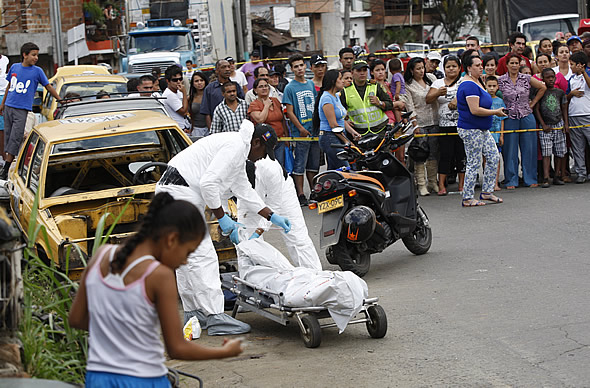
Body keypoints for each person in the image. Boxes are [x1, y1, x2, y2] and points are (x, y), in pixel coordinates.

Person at [69, 193, 244, 387]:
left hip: (98, 378)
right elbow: (176, 348)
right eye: (187, 252)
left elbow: (76, 319)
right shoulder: (159, 275)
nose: (185, 261)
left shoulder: (100, 255)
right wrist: (224, 352)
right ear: (171, 239)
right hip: (143, 379)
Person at [156, 120, 291, 334]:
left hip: (172, 193)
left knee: (185, 258)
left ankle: (194, 314)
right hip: (180, 194)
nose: (263, 157)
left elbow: (243, 189)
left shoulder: (238, 149)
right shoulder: (236, 146)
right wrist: (223, 219)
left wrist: (271, 215)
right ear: (256, 143)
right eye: (264, 152)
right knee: (203, 256)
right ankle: (215, 316)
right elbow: (208, 184)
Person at [239, 157, 321, 270]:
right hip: (248, 195)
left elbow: (274, 205)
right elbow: (223, 196)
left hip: (281, 192)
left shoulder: (270, 168)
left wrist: (259, 230)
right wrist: (226, 217)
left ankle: (315, 276)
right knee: (244, 238)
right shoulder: (233, 169)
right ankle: (256, 277)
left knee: (297, 237)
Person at [0, 42, 60, 180]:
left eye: (37, 55)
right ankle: (8, 167)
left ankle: (7, 168)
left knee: (16, 137)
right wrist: (3, 104)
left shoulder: (37, 71)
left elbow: (48, 87)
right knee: (9, 137)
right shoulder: (14, 67)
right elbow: (9, 86)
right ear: (24, 55)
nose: (36, 58)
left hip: (23, 108)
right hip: (9, 106)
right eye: (33, 55)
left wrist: (59, 99)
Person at [456, 54, 507, 207]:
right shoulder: (469, 85)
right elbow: (475, 110)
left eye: (481, 65)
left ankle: (487, 191)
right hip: (471, 129)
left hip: (482, 128)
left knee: (493, 156)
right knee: (474, 162)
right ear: (469, 68)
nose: (481, 67)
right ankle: (467, 197)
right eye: (477, 65)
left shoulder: (477, 81)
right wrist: (495, 112)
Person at [498, 53, 547, 189]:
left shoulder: (526, 78)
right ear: (506, 65)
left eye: (516, 63)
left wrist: (533, 103)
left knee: (529, 148)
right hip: (509, 117)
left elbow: (542, 87)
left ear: (520, 64)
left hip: (526, 115)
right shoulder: (501, 80)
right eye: (511, 63)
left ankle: (530, 178)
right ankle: (511, 179)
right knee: (510, 149)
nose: (514, 66)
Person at [426, 55, 465, 195]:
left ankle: (462, 185)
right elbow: (428, 99)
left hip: (462, 124)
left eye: (454, 66)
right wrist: (437, 93)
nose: (451, 69)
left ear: (459, 68)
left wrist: (456, 99)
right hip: (444, 125)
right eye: (448, 66)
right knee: (445, 156)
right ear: (444, 68)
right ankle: (441, 185)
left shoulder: (464, 81)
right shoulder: (437, 83)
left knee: (462, 155)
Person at [283, 54, 318, 206]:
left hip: (314, 131)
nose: (299, 69)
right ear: (292, 69)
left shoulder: (310, 84)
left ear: (306, 66)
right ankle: (301, 193)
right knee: (300, 165)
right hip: (301, 133)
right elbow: (289, 112)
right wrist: (301, 128)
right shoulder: (289, 87)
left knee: (313, 165)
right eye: (295, 66)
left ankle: (314, 191)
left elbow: (316, 106)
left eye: (301, 65)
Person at [403, 57, 438, 196]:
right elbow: (409, 106)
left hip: (435, 120)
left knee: (434, 153)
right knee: (420, 153)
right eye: (418, 69)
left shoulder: (432, 78)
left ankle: (433, 182)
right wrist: (415, 124)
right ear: (411, 70)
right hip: (420, 122)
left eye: (422, 67)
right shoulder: (408, 85)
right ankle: (421, 184)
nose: (421, 71)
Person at [313, 69, 356, 170]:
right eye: (340, 79)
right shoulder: (326, 98)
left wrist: (353, 132)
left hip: (338, 136)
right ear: (333, 81)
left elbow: (341, 120)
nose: (343, 81)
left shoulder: (336, 96)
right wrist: (347, 141)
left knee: (334, 170)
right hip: (329, 137)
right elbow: (333, 125)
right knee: (345, 168)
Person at [533, 68, 569, 187]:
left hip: (558, 124)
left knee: (559, 151)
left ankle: (557, 175)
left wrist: (566, 124)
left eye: (552, 77)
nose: (551, 80)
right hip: (546, 126)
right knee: (546, 152)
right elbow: (537, 109)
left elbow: (564, 108)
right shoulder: (541, 91)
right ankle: (546, 177)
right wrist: (543, 124)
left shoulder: (559, 92)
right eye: (548, 77)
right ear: (542, 79)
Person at [340, 59, 393, 138]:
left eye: (364, 70)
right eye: (358, 70)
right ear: (352, 73)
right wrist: (345, 122)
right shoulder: (345, 90)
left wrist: (380, 103)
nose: (362, 73)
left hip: (380, 130)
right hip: (359, 133)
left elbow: (390, 104)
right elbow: (339, 112)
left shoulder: (375, 86)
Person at [248, 78, 287, 166]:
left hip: (280, 140)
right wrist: (266, 106)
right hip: (264, 143)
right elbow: (260, 120)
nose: (264, 88)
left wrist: (287, 136)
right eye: (261, 86)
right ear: (255, 90)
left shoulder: (275, 101)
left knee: (280, 166)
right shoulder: (254, 104)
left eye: (266, 86)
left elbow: (282, 120)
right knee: (267, 167)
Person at [566, 51, 590, 183]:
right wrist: (572, 94)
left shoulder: (588, 73)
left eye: (573, 64)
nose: (571, 67)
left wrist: (584, 72)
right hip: (574, 115)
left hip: (587, 114)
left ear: (581, 65)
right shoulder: (571, 79)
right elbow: (566, 96)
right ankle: (581, 172)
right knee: (577, 147)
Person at [201, 59, 245, 129]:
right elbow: (207, 112)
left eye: (228, 67)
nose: (227, 69)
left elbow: (243, 106)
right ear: (217, 70)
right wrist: (212, 132)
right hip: (218, 129)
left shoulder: (236, 86)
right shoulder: (209, 89)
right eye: (223, 67)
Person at [485, 76, 507, 190]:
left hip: (497, 133)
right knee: (486, 159)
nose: (492, 88)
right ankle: (487, 183)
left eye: (494, 86)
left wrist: (501, 135)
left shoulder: (500, 101)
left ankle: (495, 183)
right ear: (485, 86)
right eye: (489, 86)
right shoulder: (483, 100)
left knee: (496, 158)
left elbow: (502, 120)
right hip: (486, 134)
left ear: (498, 87)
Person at [162, 65, 191, 132]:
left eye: (180, 79)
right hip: (178, 129)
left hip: (184, 127)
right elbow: (183, 112)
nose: (178, 82)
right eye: (175, 80)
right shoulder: (169, 94)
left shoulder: (178, 91)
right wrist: (184, 92)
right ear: (168, 81)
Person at [188, 71, 209, 137]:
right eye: (196, 81)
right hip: (197, 130)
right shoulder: (190, 98)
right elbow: (190, 116)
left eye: (201, 80)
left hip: (210, 129)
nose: (199, 83)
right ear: (193, 84)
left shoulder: (210, 95)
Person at [0, 53, 9, 159]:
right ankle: (3, 154)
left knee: (4, 127)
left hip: (5, 95)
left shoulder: (5, 60)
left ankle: (4, 154)